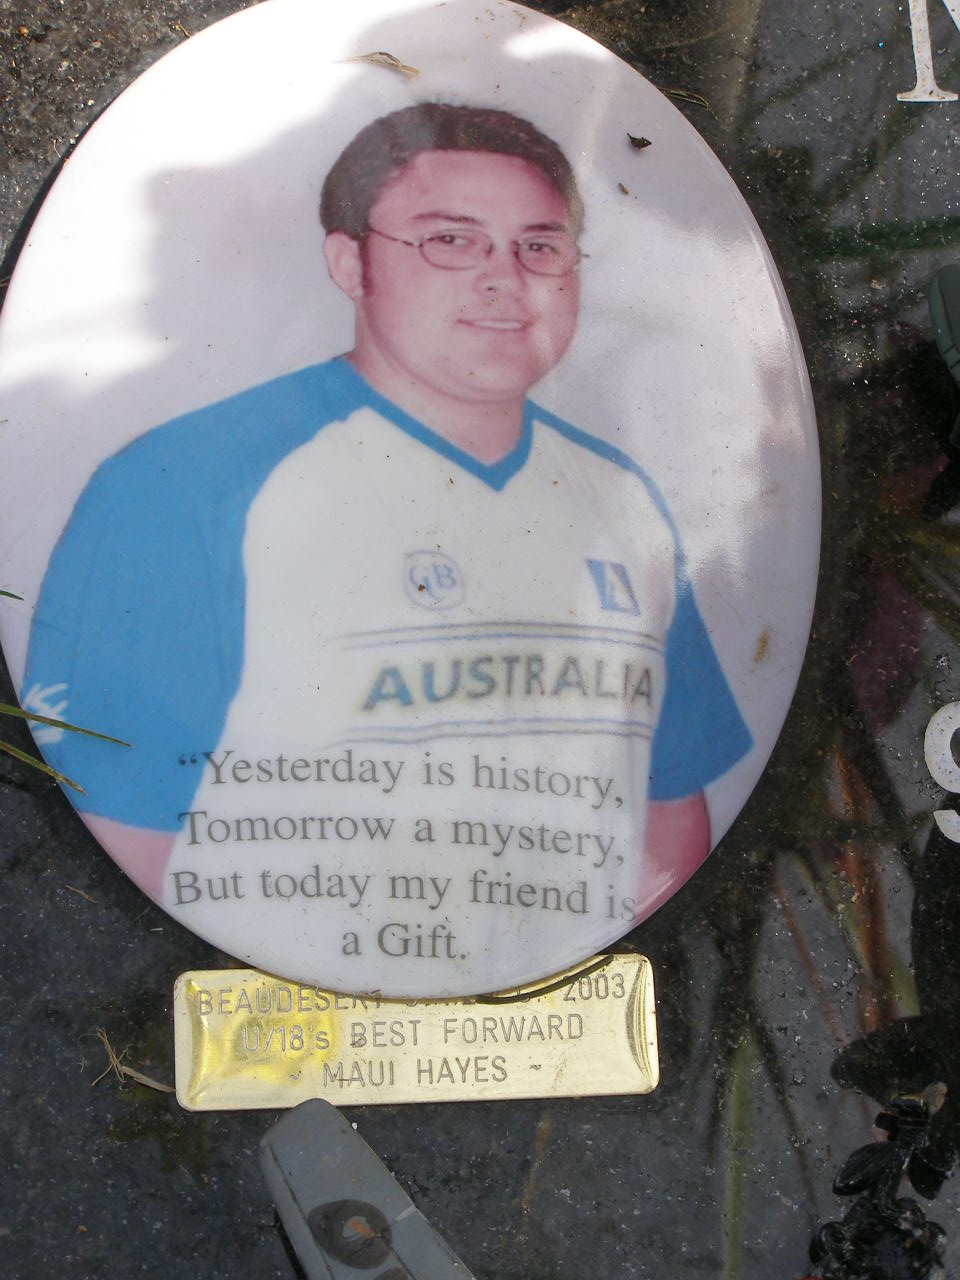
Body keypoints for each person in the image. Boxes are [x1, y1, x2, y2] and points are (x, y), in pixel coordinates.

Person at [21, 104, 751, 987]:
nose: (503, 279)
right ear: (349, 263)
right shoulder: (183, 485)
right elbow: (115, 823)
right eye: (451, 241)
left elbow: (667, 808)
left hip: (544, 1009)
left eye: (540, 246)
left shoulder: (621, 498)